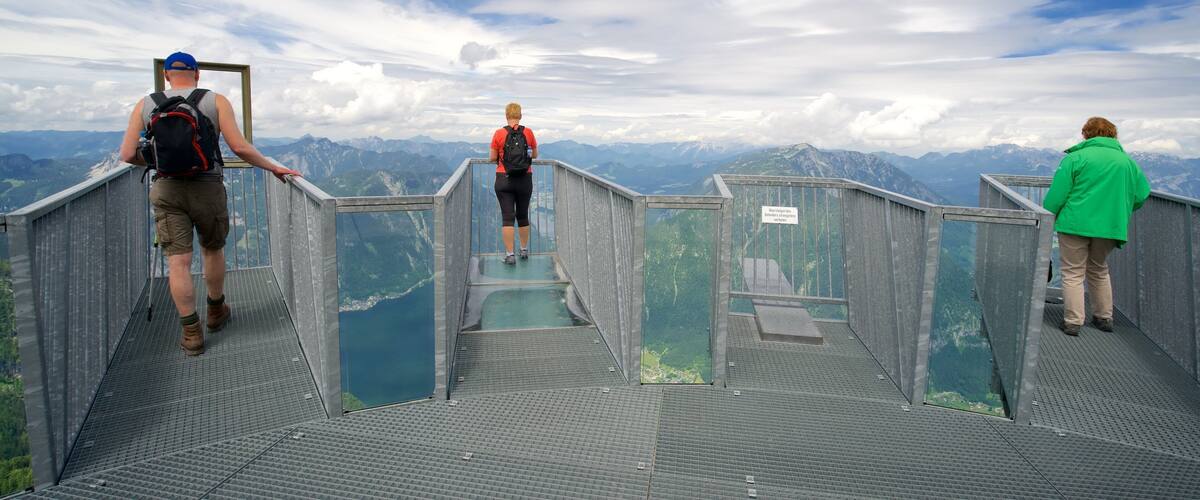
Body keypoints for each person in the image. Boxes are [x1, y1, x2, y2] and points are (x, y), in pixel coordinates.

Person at [118, 51, 301, 355]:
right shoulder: (215, 101)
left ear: (166, 74)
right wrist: (273, 168)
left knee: (178, 262)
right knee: (212, 250)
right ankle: (216, 311)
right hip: (207, 187)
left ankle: (192, 333)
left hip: (166, 190)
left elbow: (126, 154)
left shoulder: (146, 104)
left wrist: (157, 163)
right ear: (197, 73)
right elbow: (239, 147)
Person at [1043, 117, 1150, 336]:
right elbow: (1141, 195)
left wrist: (1047, 216)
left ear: (1086, 134)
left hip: (1074, 224)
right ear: (1113, 134)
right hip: (1110, 225)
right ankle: (1104, 317)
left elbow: (1057, 196)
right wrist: (1120, 210)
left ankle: (1073, 321)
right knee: (1099, 269)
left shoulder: (1075, 158)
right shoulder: (1127, 162)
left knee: (1073, 272)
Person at [488, 102, 538, 265]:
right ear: (520, 116)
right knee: (522, 215)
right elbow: (534, 155)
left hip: (504, 178)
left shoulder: (499, 133)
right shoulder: (528, 132)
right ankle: (523, 250)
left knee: (507, 217)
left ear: (506, 116)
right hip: (525, 178)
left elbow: (492, 157)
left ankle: (510, 255)